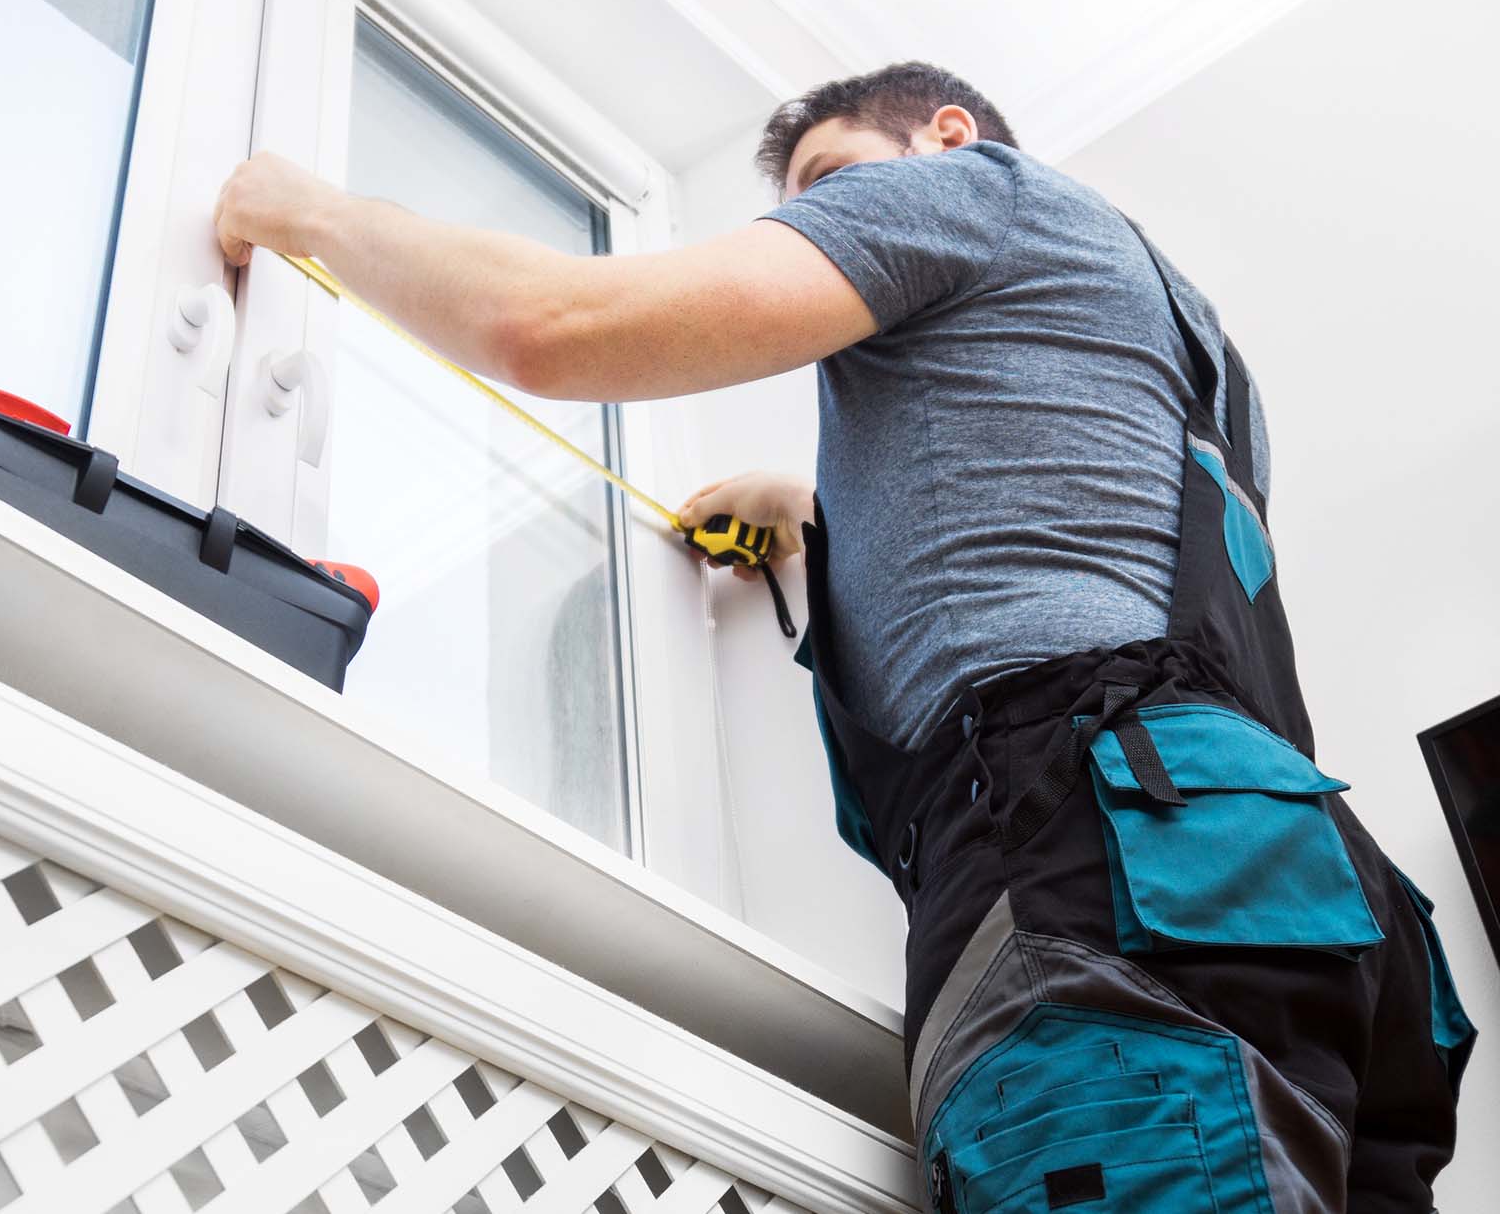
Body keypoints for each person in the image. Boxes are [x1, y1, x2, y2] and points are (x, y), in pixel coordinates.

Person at [213, 61, 1472, 1212]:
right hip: (1304, 898)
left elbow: (552, 327)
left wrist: (302, 214)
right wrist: (798, 516)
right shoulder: (1194, 352)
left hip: (1102, 872)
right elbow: (1059, 533)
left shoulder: (967, 191)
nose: (816, 220)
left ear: (944, 134)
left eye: (827, 182)